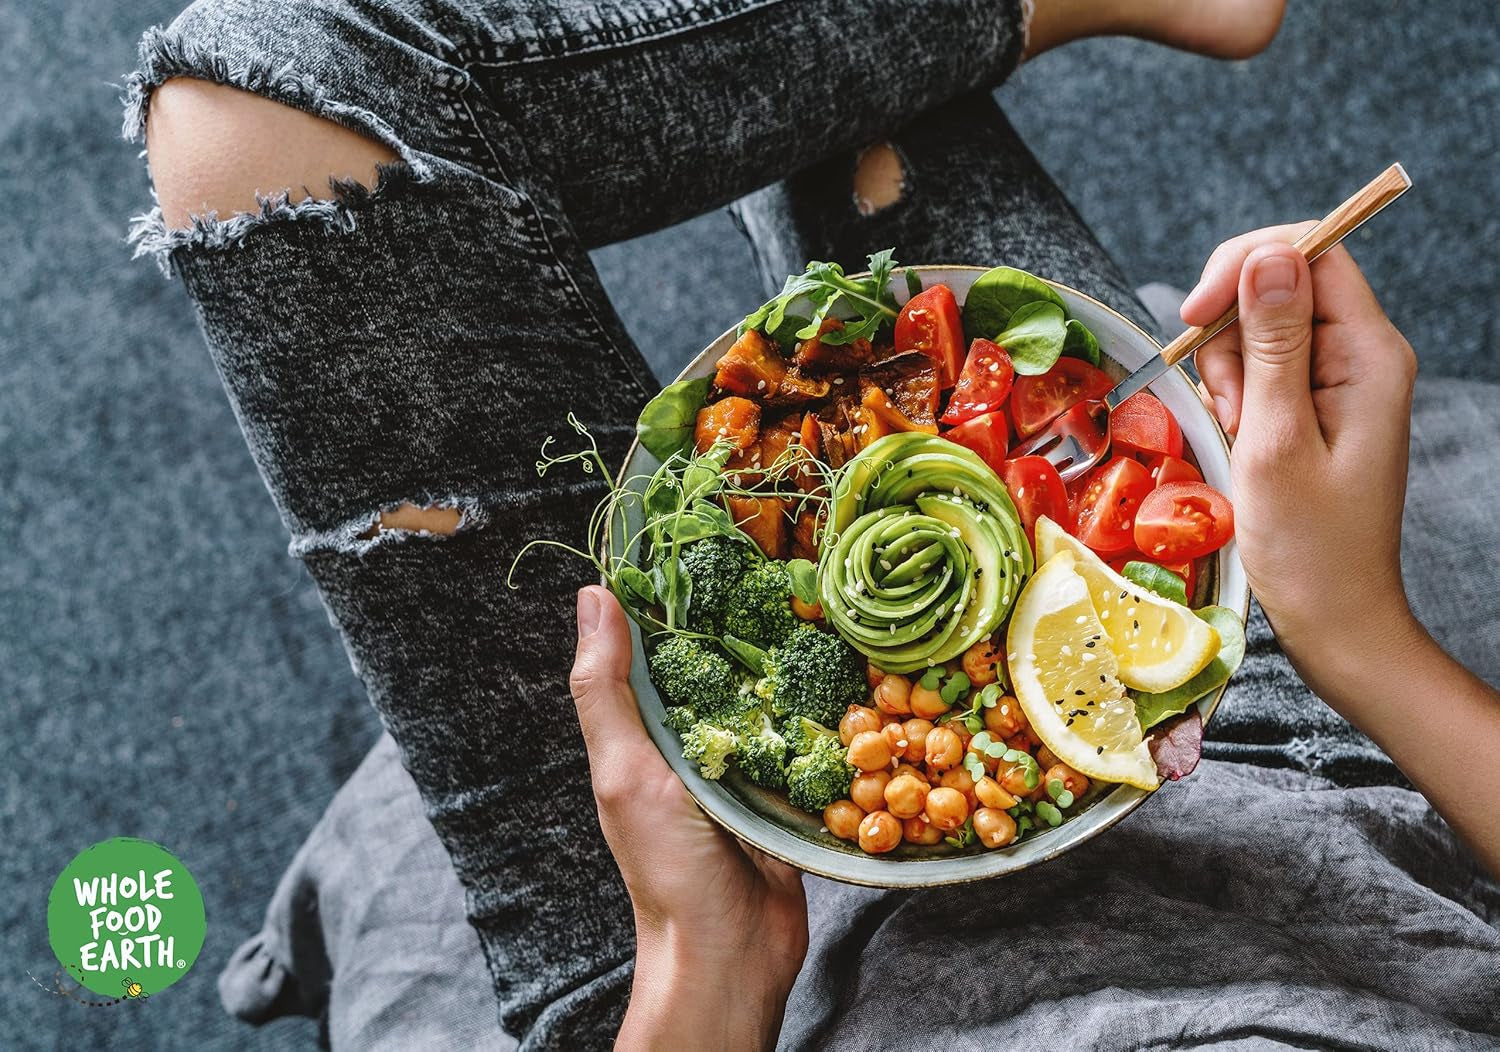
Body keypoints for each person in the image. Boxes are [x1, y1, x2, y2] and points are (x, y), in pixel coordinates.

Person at [123, 0, 1498, 1046]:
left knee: (248, 104)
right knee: (871, 167)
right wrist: (1355, 632)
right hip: (1229, 757)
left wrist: (701, 979)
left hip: (713, 967)